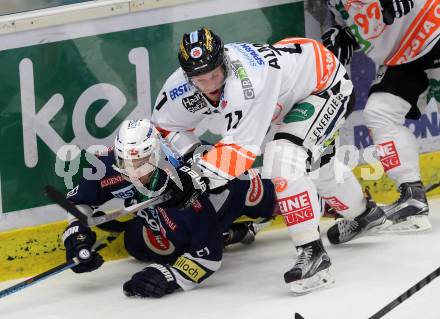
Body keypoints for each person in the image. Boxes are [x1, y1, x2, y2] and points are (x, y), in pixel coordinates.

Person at [150, 27, 388, 294]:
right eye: (200, 80)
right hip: (291, 91)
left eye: (215, 75)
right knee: (320, 167)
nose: (210, 86)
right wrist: (194, 157)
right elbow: (165, 129)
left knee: (283, 156)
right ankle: (366, 215)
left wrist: (193, 179)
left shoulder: (247, 83)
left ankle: (313, 255)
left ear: (224, 62)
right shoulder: (180, 86)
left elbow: (239, 153)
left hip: (325, 85)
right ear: (187, 75)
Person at [61, 118, 276, 298]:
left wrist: (171, 277)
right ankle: (231, 235)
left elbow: (209, 256)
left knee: (272, 201)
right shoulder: (107, 165)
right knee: (136, 243)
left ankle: (230, 229)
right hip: (173, 214)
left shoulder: (185, 187)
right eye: (126, 163)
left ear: (157, 155)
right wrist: (76, 235)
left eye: (142, 163)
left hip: (232, 192)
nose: (135, 172)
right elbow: (79, 201)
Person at [322, 0, 438, 233]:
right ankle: (412, 198)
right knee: (379, 113)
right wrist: (343, 34)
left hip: (434, 29)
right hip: (404, 56)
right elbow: (366, 21)